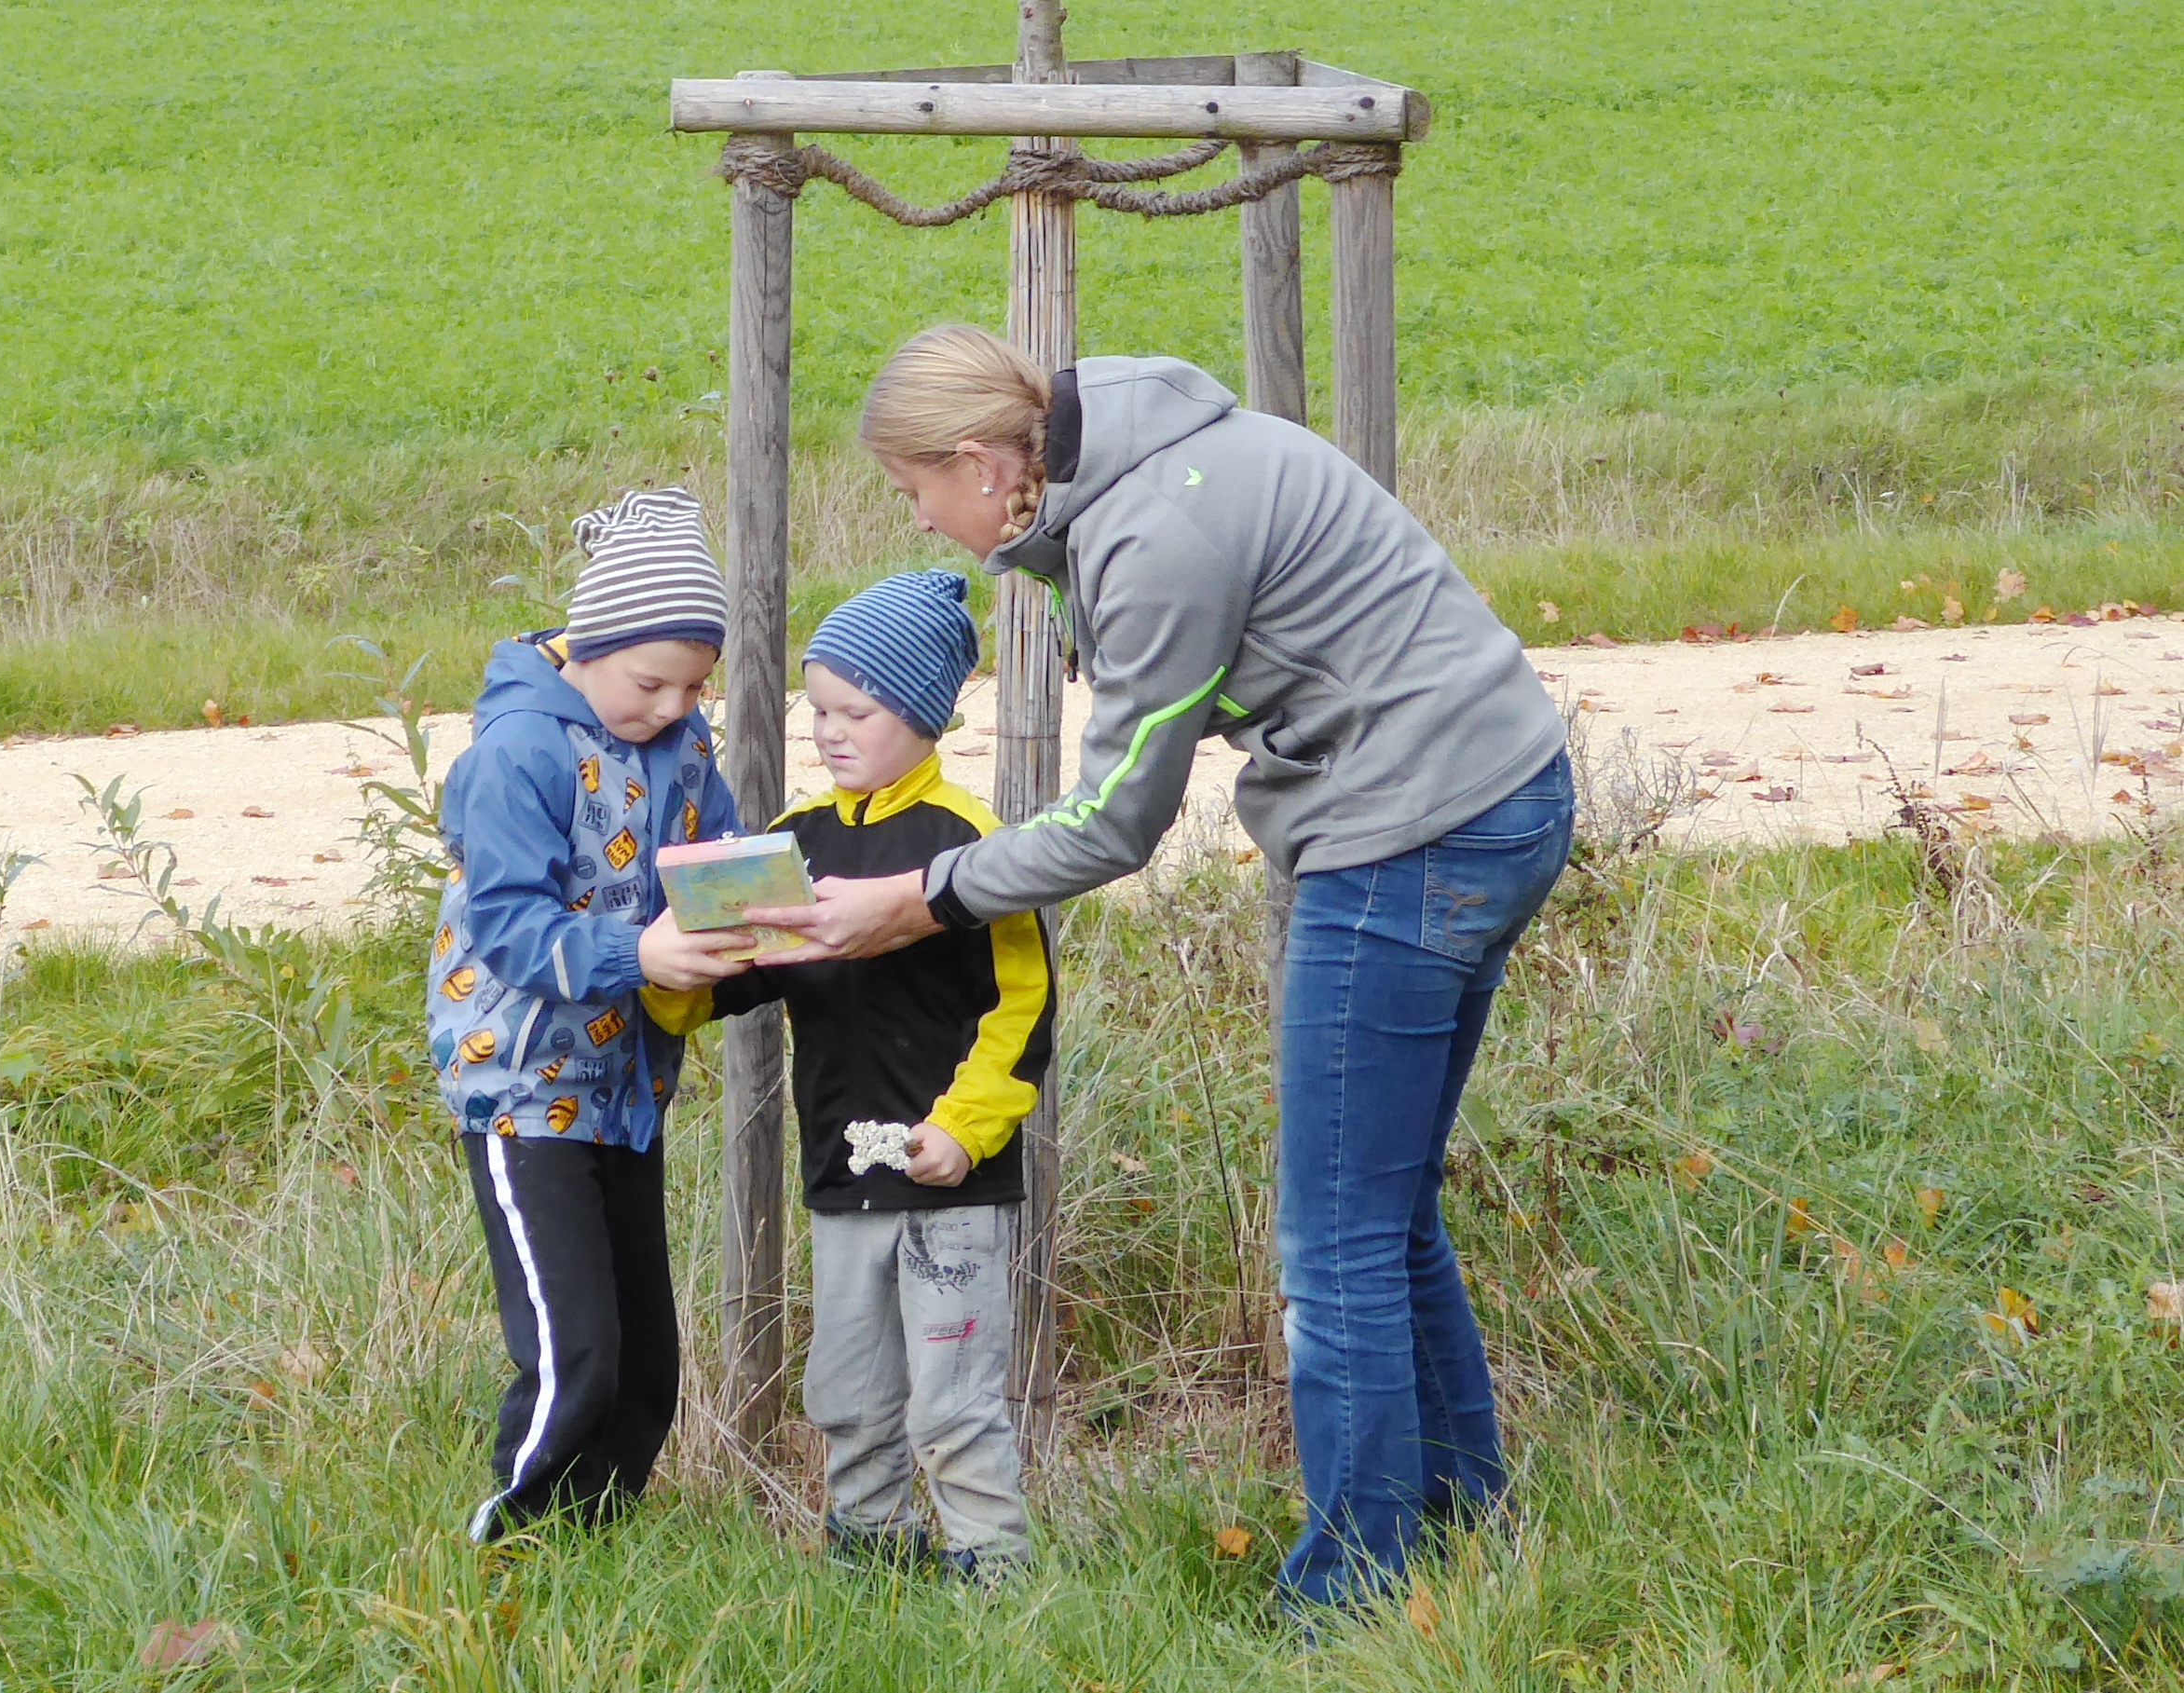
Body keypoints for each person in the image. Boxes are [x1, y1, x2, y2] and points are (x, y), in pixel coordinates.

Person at [750, 326, 1575, 1611]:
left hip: (1411, 833)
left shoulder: (1151, 537)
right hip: (1502, 790)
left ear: (980, 462)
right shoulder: (1137, 453)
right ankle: (1461, 1516)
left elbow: (1118, 820)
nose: (929, 525)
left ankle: (1352, 1588)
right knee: (1388, 1206)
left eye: (918, 495)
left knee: (1334, 1245)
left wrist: (923, 900)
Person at [657, 567, 1054, 1582]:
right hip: (840, 1175)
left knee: (951, 1396)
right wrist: (666, 978)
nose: (830, 730)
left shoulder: (967, 844)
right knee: (847, 1386)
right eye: (817, 709)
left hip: (947, 1179)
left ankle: (991, 1573)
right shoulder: (796, 840)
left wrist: (964, 1128)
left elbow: (1021, 1008)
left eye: (857, 710)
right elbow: (735, 972)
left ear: (922, 713)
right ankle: (865, 1560)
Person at [427, 485, 759, 1541]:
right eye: (649, 681)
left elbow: (717, 859)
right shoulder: (518, 751)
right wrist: (641, 948)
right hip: (520, 1081)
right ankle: (513, 1535)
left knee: (644, 1360)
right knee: (575, 1348)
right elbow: (510, 931)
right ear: (588, 645)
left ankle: (597, 1537)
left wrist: (756, 915)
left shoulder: (682, 744)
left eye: (694, 685)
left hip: (625, 1082)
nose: (670, 705)